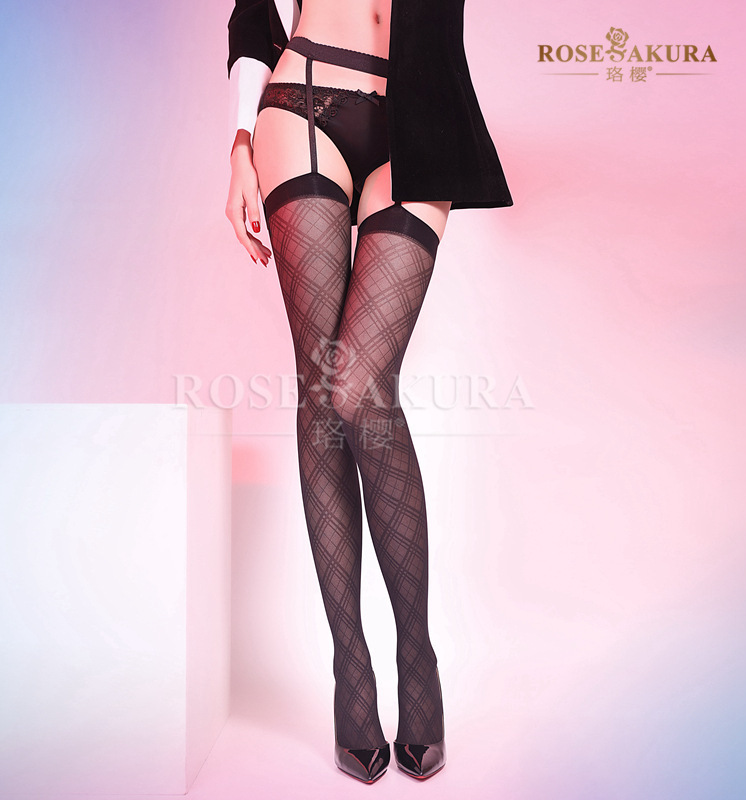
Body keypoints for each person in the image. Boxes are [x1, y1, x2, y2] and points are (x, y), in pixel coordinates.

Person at [225, 0, 512, 784]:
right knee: (324, 389)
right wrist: (240, 143)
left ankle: (416, 654)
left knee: (360, 387)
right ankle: (350, 667)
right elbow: (252, 17)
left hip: (420, 115)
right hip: (303, 100)